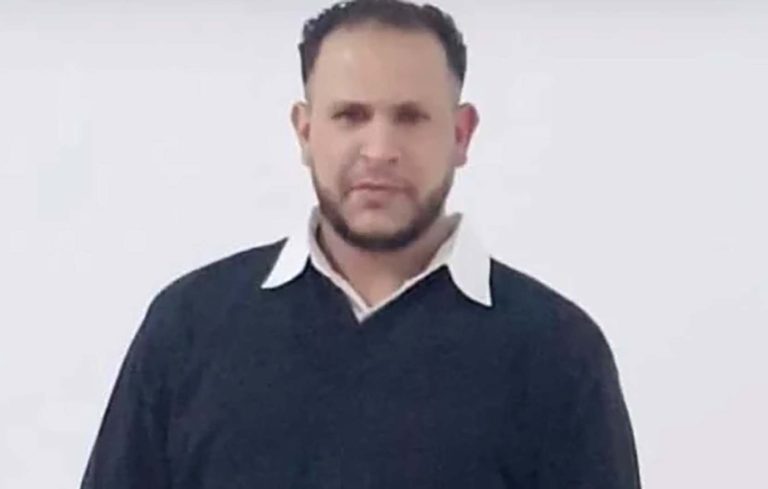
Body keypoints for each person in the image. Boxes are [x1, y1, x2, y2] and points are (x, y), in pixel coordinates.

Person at [80, 1, 641, 488]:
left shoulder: (558, 352)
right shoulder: (188, 326)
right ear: (305, 132)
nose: (379, 149)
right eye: (350, 115)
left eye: (410, 117)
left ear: (461, 133)